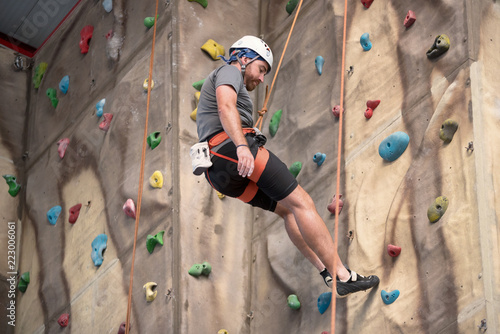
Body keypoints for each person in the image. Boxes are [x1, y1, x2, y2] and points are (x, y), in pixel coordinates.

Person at [194, 35, 379, 297]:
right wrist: (243, 146)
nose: (261, 78)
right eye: (261, 69)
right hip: (230, 151)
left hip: (219, 174)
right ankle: (342, 275)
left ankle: (325, 272)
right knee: (303, 203)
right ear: (244, 57)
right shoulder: (229, 70)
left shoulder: (231, 80)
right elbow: (225, 108)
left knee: (288, 211)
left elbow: (223, 111)